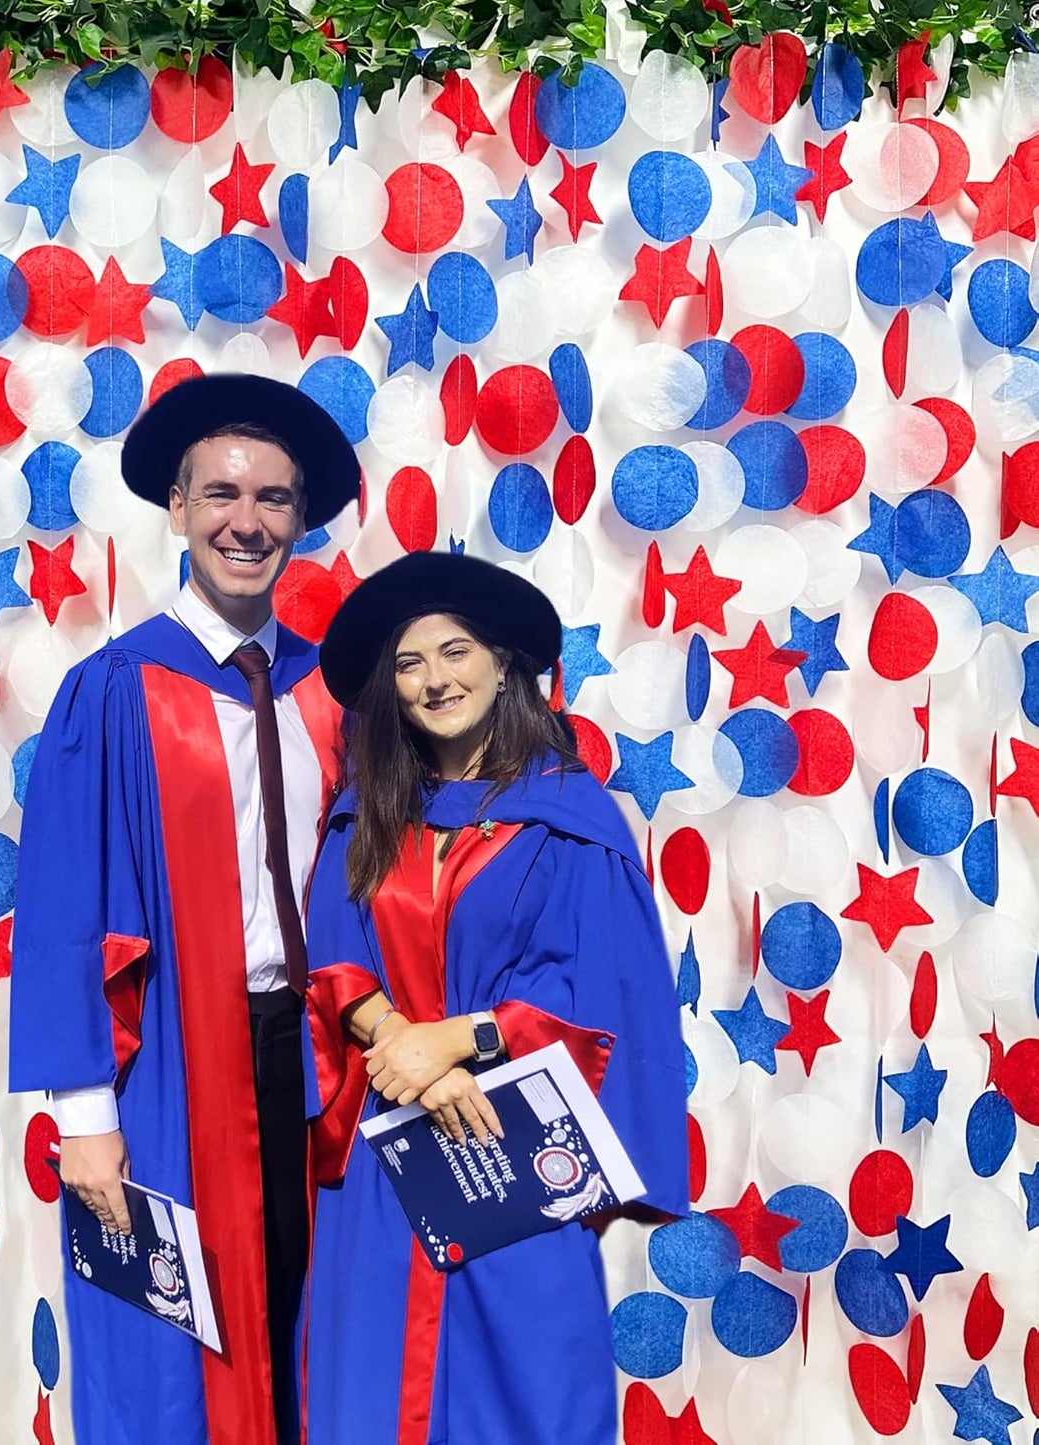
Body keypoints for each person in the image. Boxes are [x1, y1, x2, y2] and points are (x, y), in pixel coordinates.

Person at [9, 373, 358, 1445]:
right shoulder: (114, 690)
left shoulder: (332, 692)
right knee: (176, 1356)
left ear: (300, 518)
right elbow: (65, 915)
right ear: (175, 508)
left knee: (318, 1323)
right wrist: (84, 1120)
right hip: (171, 1059)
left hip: (320, 1060)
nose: (245, 522)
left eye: (272, 498)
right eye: (220, 493)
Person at [301, 551, 690, 1445]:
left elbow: (596, 989)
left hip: (508, 1142)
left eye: (455, 651)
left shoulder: (569, 816)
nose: (434, 680)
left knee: (527, 1385)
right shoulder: (367, 811)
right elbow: (332, 957)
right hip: (390, 1140)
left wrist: (456, 1041)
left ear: (502, 662)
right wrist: (405, 1045)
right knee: (371, 1385)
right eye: (409, 664)